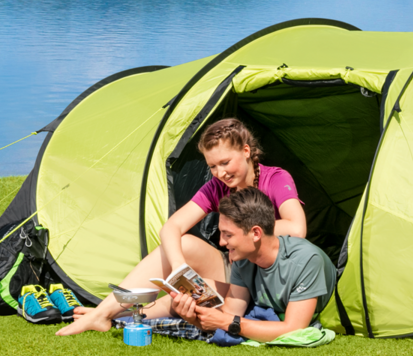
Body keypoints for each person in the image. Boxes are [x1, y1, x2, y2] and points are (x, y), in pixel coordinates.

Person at [56, 117, 306, 336]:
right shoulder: (217, 187)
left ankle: (106, 313)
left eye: (225, 162)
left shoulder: (275, 178)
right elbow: (171, 228)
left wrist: (247, 228)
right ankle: (106, 312)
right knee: (180, 244)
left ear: (246, 151)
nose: (219, 173)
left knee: (184, 301)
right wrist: (179, 268)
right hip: (234, 269)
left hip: (266, 277)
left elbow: (297, 228)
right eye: (212, 166)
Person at [168, 186, 336, 343]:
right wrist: (193, 317)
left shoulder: (306, 260)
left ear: (256, 233)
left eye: (228, 235)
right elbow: (231, 314)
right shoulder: (243, 259)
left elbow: (294, 328)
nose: (221, 242)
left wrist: (228, 321)